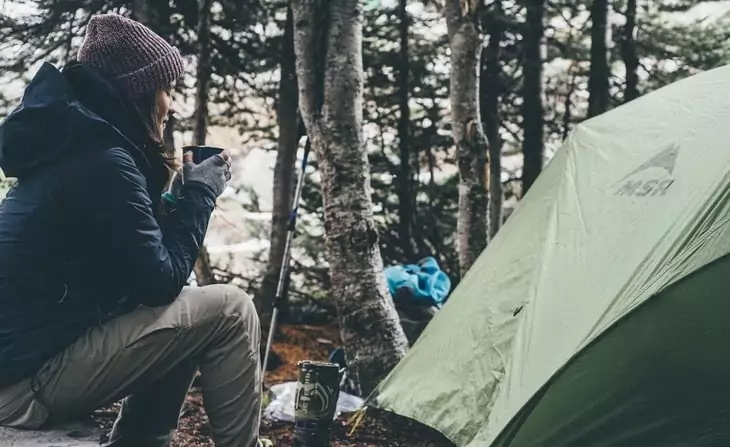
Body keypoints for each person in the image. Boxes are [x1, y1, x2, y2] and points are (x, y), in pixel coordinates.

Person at [0, 13, 269, 447]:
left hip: (19, 369)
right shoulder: (105, 161)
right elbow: (159, 282)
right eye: (167, 90)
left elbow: (140, 275)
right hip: (21, 389)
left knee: (186, 312)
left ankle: (142, 440)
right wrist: (200, 196)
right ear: (139, 91)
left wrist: (179, 200)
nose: (171, 104)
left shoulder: (74, 147)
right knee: (230, 309)